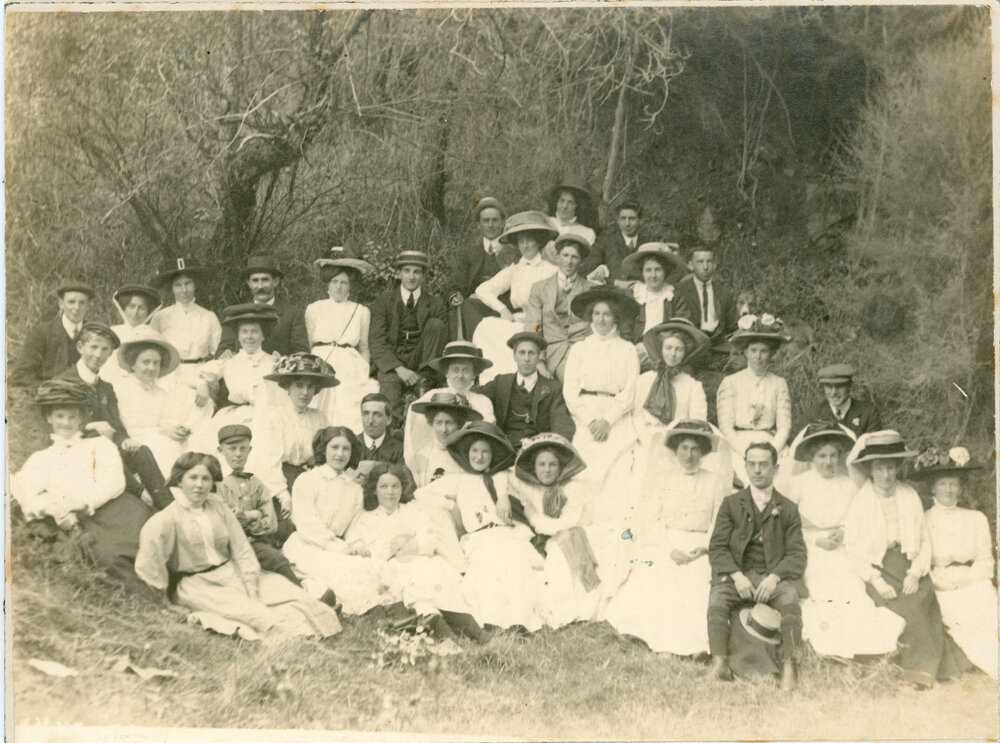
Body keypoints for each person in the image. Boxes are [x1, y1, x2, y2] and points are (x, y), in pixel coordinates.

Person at [135, 453, 341, 641]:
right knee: (259, 615)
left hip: (232, 572)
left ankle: (313, 620)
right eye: (193, 478)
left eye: (205, 479)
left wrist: (250, 584)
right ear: (179, 480)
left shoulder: (219, 508)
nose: (199, 485)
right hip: (198, 585)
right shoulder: (165, 521)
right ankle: (292, 638)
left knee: (295, 597)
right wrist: (165, 603)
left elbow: (242, 549)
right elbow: (150, 565)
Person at [844, 431, 972, 687]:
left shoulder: (909, 494)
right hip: (880, 569)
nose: (886, 475)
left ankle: (928, 669)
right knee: (904, 608)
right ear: (870, 469)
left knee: (921, 599)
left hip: (909, 564)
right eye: (880, 469)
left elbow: (924, 540)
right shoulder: (860, 502)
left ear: (898, 468)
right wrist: (876, 580)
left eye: (890, 468)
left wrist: (916, 572)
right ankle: (916, 672)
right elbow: (853, 549)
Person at [12, 378, 155, 591]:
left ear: (81, 418)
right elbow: (28, 492)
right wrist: (58, 511)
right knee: (106, 556)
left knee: (143, 540)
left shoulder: (99, 444)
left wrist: (86, 504)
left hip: (114, 509)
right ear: (49, 417)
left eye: (72, 416)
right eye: (60, 416)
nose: (66, 423)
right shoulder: (41, 458)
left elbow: (114, 481)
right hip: (77, 519)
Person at [605, 421, 731, 655]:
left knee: (696, 581)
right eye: (683, 448)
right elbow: (651, 520)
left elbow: (719, 523)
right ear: (675, 449)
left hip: (699, 545)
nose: (689, 455)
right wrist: (669, 548)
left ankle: (691, 644)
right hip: (664, 542)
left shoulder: (714, 482)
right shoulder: (662, 479)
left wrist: (704, 548)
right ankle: (648, 636)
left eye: (695, 449)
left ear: (703, 451)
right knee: (657, 572)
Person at [782, 422, 904, 659]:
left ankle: (862, 643)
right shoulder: (798, 484)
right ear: (810, 457)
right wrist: (814, 540)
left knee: (852, 586)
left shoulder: (848, 483)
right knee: (821, 586)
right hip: (809, 549)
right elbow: (787, 527)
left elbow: (858, 520)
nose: (828, 462)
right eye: (821, 456)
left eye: (833, 455)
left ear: (840, 456)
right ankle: (832, 644)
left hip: (843, 548)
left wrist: (844, 532)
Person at [414, 421, 544, 631]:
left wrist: (504, 497)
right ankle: (492, 621)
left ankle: (518, 622)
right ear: (467, 453)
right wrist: (451, 506)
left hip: (508, 534)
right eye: (475, 451)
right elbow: (420, 494)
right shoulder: (459, 480)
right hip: (479, 538)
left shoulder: (504, 477)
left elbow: (532, 497)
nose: (479, 457)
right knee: (487, 567)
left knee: (516, 564)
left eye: (485, 452)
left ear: (493, 455)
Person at [707, 442, 806, 690]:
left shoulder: (789, 508)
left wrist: (774, 578)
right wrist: (737, 576)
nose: (758, 470)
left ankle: (789, 667)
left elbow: (796, 555)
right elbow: (717, 548)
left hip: (772, 575)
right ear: (745, 467)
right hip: (737, 573)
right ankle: (719, 663)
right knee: (718, 598)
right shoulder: (731, 504)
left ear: (776, 468)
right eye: (752, 464)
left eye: (764, 465)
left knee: (790, 599)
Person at [345, 462, 476, 637]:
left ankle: (474, 632)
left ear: (402, 488)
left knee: (443, 587)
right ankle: (444, 634)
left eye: (395, 486)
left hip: (422, 560)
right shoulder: (366, 517)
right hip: (393, 568)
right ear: (375, 490)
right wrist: (391, 547)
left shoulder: (413, 509)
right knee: (416, 592)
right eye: (384, 487)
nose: (390, 492)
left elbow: (428, 538)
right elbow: (358, 544)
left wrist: (405, 546)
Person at [59, 322, 174, 510]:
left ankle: (169, 508)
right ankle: (140, 493)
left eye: (105, 349)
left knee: (141, 451)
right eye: (93, 347)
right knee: (105, 446)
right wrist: (90, 427)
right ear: (80, 347)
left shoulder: (105, 387)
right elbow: (56, 427)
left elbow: (117, 428)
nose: (98, 354)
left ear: (110, 354)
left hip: (107, 451)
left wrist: (123, 440)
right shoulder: (64, 382)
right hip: (78, 452)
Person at [912, 445, 997, 679]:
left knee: (985, 599)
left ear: (960, 487)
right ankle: (968, 661)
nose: (949, 489)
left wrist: (968, 579)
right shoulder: (924, 520)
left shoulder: (976, 518)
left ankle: (988, 662)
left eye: (953, 483)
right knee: (952, 611)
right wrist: (941, 582)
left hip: (971, 579)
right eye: (943, 483)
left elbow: (985, 558)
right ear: (933, 488)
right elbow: (921, 560)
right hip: (940, 583)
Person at [509, 433, 610, 628]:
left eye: (552, 465)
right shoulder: (530, 487)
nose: (547, 470)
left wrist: (535, 519)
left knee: (559, 550)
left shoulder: (574, 487)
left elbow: (568, 522)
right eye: (542, 465)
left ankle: (570, 612)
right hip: (553, 537)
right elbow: (506, 478)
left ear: (561, 466)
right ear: (534, 466)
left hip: (580, 534)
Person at [281, 426, 384, 615]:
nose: (340, 454)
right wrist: (341, 548)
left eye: (346, 449)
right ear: (323, 449)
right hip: (306, 546)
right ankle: (327, 601)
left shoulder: (354, 488)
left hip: (337, 546)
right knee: (345, 570)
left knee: (367, 566)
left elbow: (355, 525)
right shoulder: (307, 480)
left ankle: (370, 607)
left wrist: (355, 545)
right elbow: (308, 525)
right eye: (334, 447)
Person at [561, 286, 640, 523]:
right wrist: (592, 421)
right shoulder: (579, 348)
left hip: (617, 418)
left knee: (617, 474)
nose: (601, 319)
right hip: (587, 417)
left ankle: (614, 529)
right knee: (586, 473)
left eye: (606, 314)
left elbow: (629, 392)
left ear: (615, 316)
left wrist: (608, 420)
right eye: (597, 314)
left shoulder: (628, 349)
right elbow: (570, 392)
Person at [471, 211, 559, 383]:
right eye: (521, 241)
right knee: (486, 326)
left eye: (530, 240)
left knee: (525, 338)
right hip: (516, 321)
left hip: (538, 325)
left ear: (538, 241)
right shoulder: (515, 269)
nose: (525, 245)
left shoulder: (551, 270)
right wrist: (503, 309)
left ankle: (520, 382)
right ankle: (495, 382)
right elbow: (483, 290)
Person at [249, 353, 338, 518]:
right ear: (287, 387)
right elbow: (268, 462)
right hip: (284, 483)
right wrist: (284, 496)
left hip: (315, 481)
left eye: (310, 387)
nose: (305, 392)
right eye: (299, 385)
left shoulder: (320, 417)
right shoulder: (275, 417)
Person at [214, 425, 303, 589]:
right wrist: (255, 514)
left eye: (243, 448)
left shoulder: (256, 483)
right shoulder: (218, 485)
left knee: (277, 560)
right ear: (220, 450)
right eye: (232, 449)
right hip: (227, 547)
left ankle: (305, 596)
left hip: (254, 542)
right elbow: (222, 520)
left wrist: (249, 518)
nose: (238, 454)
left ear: (250, 449)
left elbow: (271, 522)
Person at [305, 245, 380, 433]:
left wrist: (363, 368)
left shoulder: (361, 311)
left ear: (350, 286)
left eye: (343, 282)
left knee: (348, 407)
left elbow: (364, 346)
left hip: (349, 364)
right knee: (318, 403)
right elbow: (308, 343)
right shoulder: (314, 308)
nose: (338, 287)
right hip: (321, 360)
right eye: (334, 282)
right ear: (328, 285)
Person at [369, 250, 448, 424]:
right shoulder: (384, 301)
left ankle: (426, 378)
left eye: (417, 272)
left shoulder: (435, 303)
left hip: (422, 358)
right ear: (399, 273)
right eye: (407, 271)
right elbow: (377, 341)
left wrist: (425, 372)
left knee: (436, 325)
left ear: (423, 276)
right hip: (393, 359)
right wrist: (398, 368)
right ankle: (394, 434)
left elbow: (442, 339)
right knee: (389, 396)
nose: (411, 277)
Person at [114, 326, 201, 478]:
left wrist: (177, 429)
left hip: (162, 442)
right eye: (145, 362)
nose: (151, 368)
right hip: (134, 446)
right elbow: (126, 429)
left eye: (156, 363)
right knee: (165, 446)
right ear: (133, 363)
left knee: (193, 445)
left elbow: (169, 420)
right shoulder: (121, 391)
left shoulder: (163, 395)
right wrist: (160, 431)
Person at [716, 313, 792, 486]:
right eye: (753, 351)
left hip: (771, 443)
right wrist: (746, 452)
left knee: (782, 478)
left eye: (763, 351)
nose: (758, 357)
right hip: (738, 444)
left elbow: (784, 426)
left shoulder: (779, 384)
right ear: (745, 352)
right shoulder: (731, 382)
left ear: (771, 353)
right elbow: (726, 427)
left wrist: (771, 451)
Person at [632, 319, 710, 485]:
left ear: (685, 352)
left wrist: (672, 443)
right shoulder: (644, 381)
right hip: (645, 441)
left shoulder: (692, 386)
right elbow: (636, 415)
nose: (672, 354)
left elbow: (697, 424)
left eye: (678, 349)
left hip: (677, 444)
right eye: (668, 348)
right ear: (661, 348)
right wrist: (649, 442)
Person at [402, 339, 496, 467]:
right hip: (435, 460)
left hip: (469, 462)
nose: (460, 376)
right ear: (447, 372)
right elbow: (416, 439)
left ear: (474, 374)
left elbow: (485, 439)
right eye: (455, 370)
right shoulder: (431, 397)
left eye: (466, 370)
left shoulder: (483, 402)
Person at [195, 304, 282, 442]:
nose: (249, 337)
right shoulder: (229, 362)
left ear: (263, 336)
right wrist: (202, 385)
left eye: (254, 331)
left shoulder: (274, 362)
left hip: (265, 417)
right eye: (244, 332)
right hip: (234, 417)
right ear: (238, 337)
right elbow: (197, 373)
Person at [476, 332, 575, 448]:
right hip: (504, 449)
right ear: (514, 356)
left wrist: (552, 449)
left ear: (539, 357)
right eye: (522, 353)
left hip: (537, 450)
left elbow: (561, 425)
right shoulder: (501, 383)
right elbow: (474, 396)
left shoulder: (553, 388)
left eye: (531, 353)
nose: (526, 359)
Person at [148, 257, 222, 410]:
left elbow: (220, 355)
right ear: (172, 288)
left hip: (202, 374)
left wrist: (205, 379)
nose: (184, 290)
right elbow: (151, 351)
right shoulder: (161, 317)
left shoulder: (209, 317)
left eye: (188, 283)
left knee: (201, 409)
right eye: (178, 285)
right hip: (170, 376)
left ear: (195, 285)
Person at [523, 232, 597, 380]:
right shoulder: (540, 288)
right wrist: (539, 362)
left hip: (582, 350)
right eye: (565, 255)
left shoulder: (591, 290)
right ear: (557, 258)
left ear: (581, 262)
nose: (569, 261)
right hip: (551, 351)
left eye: (574, 257)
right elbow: (536, 327)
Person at [448, 196, 519, 339]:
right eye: (486, 221)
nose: (490, 225)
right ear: (479, 225)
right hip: (475, 309)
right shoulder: (470, 254)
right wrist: (457, 298)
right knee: (461, 309)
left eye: (495, 220)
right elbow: (455, 287)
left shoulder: (514, 252)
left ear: (502, 222)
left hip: (504, 308)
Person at [216, 255, 309, 357]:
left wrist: (282, 361)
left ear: (276, 282)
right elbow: (222, 350)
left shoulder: (292, 314)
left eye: (265, 280)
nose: (260, 286)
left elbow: (301, 354)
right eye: (255, 281)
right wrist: (225, 354)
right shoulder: (237, 314)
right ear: (249, 283)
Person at [10, 281, 94, 387]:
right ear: (61, 304)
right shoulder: (41, 333)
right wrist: (50, 391)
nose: (76, 307)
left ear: (88, 306)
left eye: (82, 303)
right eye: (71, 302)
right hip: (48, 398)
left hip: (85, 398)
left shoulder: (94, 333)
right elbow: (21, 376)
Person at [619, 243, 694, 349]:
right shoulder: (634, 295)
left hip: (665, 346)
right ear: (642, 273)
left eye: (658, 270)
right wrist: (631, 347)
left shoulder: (673, 296)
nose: (653, 275)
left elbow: (681, 325)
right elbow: (625, 327)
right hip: (637, 345)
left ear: (665, 272)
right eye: (648, 270)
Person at [406, 392, 484, 487]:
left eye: (449, 423)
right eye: (438, 423)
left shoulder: (469, 454)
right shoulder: (423, 454)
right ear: (431, 423)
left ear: (459, 424)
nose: (444, 430)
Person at [673, 245, 739, 350]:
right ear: (691, 265)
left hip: (719, 345)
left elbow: (732, 325)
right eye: (700, 262)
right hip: (692, 345)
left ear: (715, 265)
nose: (705, 267)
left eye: (709, 262)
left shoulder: (724, 293)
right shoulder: (680, 291)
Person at [101, 284, 163, 389]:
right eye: (132, 306)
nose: (136, 312)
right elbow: (105, 367)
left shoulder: (154, 336)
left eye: (141, 308)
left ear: (148, 311)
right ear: (124, 308)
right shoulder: (112, 332)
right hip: (114, 385)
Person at [803, 363, 883, 437]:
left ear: (849, 386)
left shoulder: (868, 413)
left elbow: (873, 449)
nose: (834, 392)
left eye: (839, 386)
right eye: (829, 387)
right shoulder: (813, 414)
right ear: (823, 388)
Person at [582, 199, 646, 283]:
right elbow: (586, 269)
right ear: (618, 221)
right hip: (611, 292)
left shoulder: (646, 244)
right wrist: (612, 280)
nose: (627, 223)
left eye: (632, 219)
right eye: (623, 218)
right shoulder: (605, 240)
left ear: (640, 221)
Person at [543, 177, 598, 263]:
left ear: (577, 206)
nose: (564, 206)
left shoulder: (587, 232)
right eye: (562, 201)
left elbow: (587, 263)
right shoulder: (545, 223)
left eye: (570, 203)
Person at [358, 393, 404, 465]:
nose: (370, 421)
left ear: (388, 419)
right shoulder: (349, 445)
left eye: (377, 414)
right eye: (366, 414)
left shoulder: (400, 450)